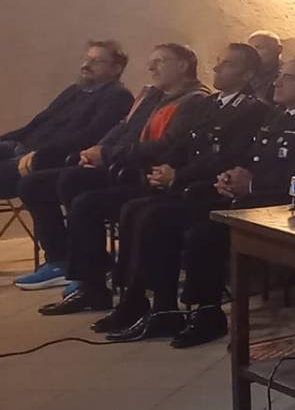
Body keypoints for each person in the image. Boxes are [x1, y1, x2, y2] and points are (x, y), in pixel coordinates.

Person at [83, 43, 272, 341]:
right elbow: (184, 144)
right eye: (218, 61)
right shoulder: (211, 104)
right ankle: (143, 301)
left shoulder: (253, 110)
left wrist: (178, 176)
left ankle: (179, 309)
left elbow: (226, 156)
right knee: (134, 209)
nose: (217, 68)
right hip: (190, 183)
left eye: (227, 64)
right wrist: (167, 167)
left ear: (247, 74)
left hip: (212, 189)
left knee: (155, 217)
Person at [164, 55, 295, 347]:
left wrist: (251, 185)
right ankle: (163, 307)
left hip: (290, 205)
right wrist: (230, 177)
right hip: (256, 197)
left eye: (288, 77)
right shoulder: (276, 116)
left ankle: (208, 313)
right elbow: (253, 159)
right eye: (280, 75)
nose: (277, 82)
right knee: (167, 212)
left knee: (206, 233)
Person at [18, 43, 208, 298]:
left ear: (183, 66)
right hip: (123, 163)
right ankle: (63, 261)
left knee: (78, 190)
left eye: (160, 61)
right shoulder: (154, 95)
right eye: (151, 61)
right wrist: (95, 150)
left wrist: (106, 155)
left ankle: (90, 275)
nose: (151, 67)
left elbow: (165, 147)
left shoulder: (194, 100)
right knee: (35, 184)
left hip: (142, 174)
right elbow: (124, 128)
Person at [0, 40, 133, 200]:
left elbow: (89, 136)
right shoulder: (74, 90)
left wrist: (39, 153)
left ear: (116, 68)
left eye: (96, 61)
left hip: (45, 158)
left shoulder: (118, 97)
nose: (86, 65)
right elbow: (38, 122)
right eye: (87, 59)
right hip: (21, 146)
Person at [245, 31, 283, 102]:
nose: (253, 53)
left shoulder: (285, 76)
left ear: (278, 49)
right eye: (251, 50)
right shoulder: (244, 74)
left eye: (259, 48)